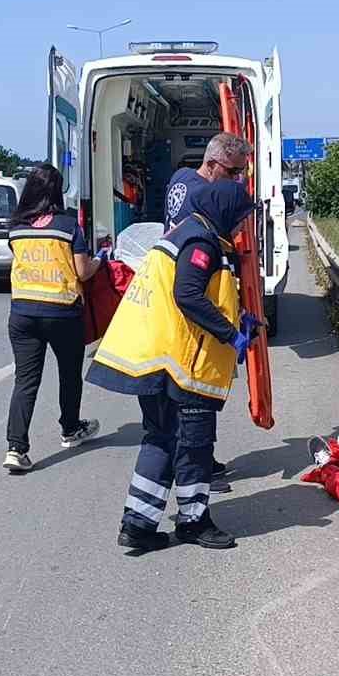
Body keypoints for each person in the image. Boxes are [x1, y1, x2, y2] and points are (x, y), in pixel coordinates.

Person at [88, 179, 262, 549]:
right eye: (239, 217)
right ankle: (193, 521)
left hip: (154, 360)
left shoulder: (186, 231)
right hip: (181, 365)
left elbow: (199, 292)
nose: (240, 225)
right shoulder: (202, 242)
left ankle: (138, 524)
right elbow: (188, 294)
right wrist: (230, 335)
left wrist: (239, 317)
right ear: (225, 211)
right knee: (194, 445)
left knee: (161, 439)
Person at [161, 131, 253, 487]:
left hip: (178, 298)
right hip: (190, 310)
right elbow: (191, 288)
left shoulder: (179, 181)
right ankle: (194, 470)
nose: (236, 181)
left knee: (179, 405)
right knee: (192, 402)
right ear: (213, 165)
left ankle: (197, 462)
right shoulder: (203, 206)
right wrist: (230, 331)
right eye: (232, 173)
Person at [2, 163, 102, 472]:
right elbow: (83, 271)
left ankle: (16, 448)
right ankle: (70, 429)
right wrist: (101, 259)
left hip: (22, 314)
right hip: (62, 312)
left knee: (25, 380)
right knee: (69, 374)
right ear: (57, 191)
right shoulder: (68, 225)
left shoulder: (16, 228)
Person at [163, 132, 252, 228]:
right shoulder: (208, 199)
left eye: (240, 171)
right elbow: (229, 234)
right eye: (232, 171)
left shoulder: (181, 174)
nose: (236, 177)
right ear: (211, 165)